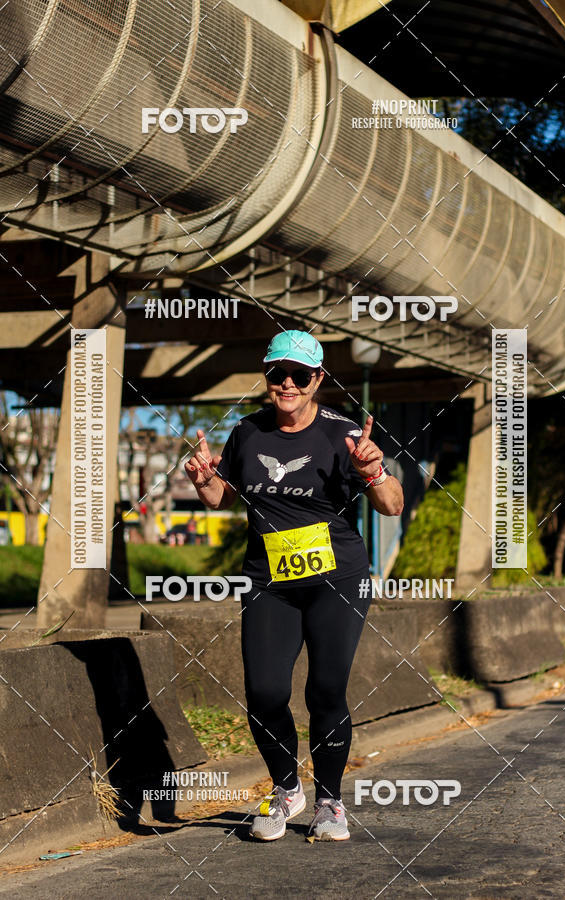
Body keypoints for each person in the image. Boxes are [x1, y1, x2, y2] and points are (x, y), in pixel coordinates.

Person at [184, 330, 404, 842]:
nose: (287, 384)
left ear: (317, 380)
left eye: (299, 375)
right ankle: (286, 789)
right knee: (264, 692)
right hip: (271, 581)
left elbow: (392, 504)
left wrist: (371, 471)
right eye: (277, 373)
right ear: (267, 377)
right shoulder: (248, 432)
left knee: (324, 689)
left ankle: (329, 802)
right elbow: (222, 496)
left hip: (336, 579)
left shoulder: (344, 434)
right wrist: (202, 480)